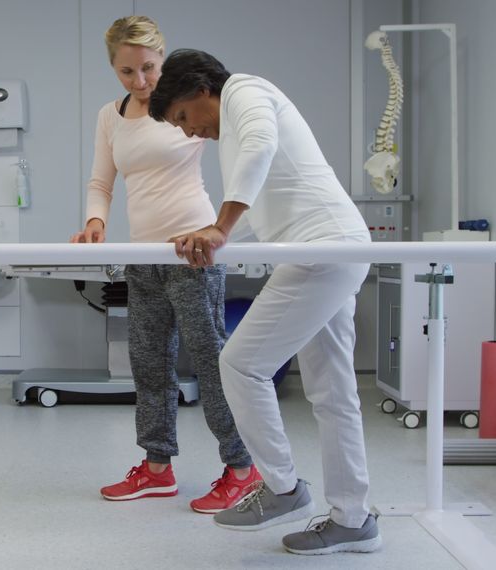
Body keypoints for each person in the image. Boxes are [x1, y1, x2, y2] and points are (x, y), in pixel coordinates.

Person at [148, 49, 381, 554]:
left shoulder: (245, 92)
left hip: (321, 253)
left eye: (184, 118)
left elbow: (259, 146)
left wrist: (219, 227)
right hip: (333, 248)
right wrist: (213, 237)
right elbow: (261, 206)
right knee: (334, 394)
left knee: (240, 364)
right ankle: (353, 519)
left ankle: (280, 487)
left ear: (199, 89)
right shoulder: (233, 121)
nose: (189, 133)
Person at [72, 17, 261, 514]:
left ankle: (242, 469)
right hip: (143, 258)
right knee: (149, 366)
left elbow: (242, 153)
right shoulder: (110, 116)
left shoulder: (185, 105)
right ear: (114, 68)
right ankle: (157, 468)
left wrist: (222, 226)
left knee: (210, 361)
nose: (140, 82)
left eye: (149, 68)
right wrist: (95, 221)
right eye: (127, 71)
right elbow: (101, 181)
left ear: (163, 59)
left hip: (192, 252)